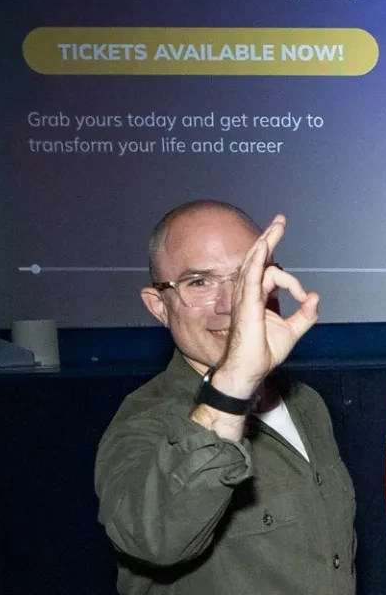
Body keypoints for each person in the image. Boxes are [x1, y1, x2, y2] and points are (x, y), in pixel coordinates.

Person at [95, 201, 353, 594]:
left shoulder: (305, 404)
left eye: (248, 276)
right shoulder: (146, 422)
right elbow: (155, 539)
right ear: (158, 306)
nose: (232, 304)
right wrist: (233, 386)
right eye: (199, 282)